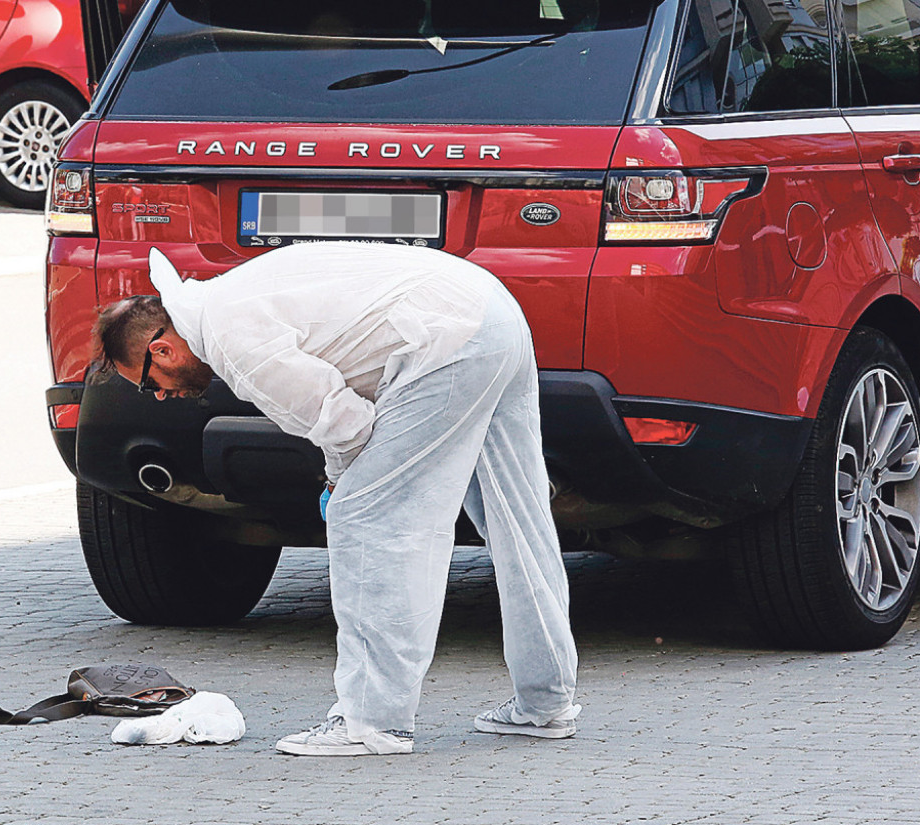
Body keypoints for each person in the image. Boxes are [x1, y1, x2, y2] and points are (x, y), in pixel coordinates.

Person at [93, 242, 580, 756]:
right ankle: (545, 703)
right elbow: (340, 413)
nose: (162, 395)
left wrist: (341, 488)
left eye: (149, 384)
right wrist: (340, 476)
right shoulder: (226, 300)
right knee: (516, 516)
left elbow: (348, 426)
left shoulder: (233, 341)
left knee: (368, 520)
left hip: (445, 339)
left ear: (162, 350)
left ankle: (371, 721)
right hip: (492, 312)